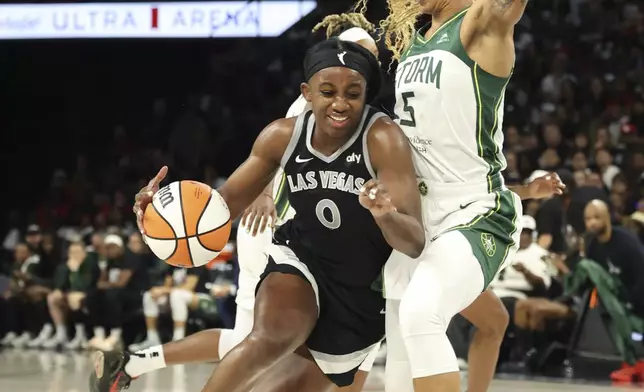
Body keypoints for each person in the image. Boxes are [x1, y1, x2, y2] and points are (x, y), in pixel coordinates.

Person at [90, 38, 424, 392]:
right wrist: (162, 218)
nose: (340, 103)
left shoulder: (384, 138)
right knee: (271, 334)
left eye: (353, 93)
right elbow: (222, 207)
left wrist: (386, 216)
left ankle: (137, 362)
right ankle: (138, 363)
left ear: (366, 92)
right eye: (328, 91)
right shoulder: (282, 135)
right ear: (306, 92)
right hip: (301, 258)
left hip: (359, 292)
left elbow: (414, 241)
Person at [354, 1, 566, 391]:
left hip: (472, 213)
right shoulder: (416, 40)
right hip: (415, 217)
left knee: (422, 313)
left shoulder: (482, 21)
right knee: (402, 359)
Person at [86, 234, 149, 351]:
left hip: (135, 294)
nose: (109, 250)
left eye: (112, 247)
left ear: (119, 247)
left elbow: (121, 283)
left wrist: (105, 284)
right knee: (92, 295)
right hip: (116, 292)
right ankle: (99, 334)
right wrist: (104, 264)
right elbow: (101, 281)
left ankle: (115, 335)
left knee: (112, 295)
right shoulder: (110, 260)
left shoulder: (131, 258)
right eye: (107, 248)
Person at [40, 241, 100, 349]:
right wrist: (67, 270)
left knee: (74, 298)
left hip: (89, 293)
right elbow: (59, 284)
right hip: (71, 293)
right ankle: (61, 332)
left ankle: (81, 334)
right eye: (72, 252)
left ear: (84, 252)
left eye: (78, 251)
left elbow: (84, 285)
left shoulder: (89, 264)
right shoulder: (65, 266)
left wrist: (76, 271)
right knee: (53, 298)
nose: (75, 254)